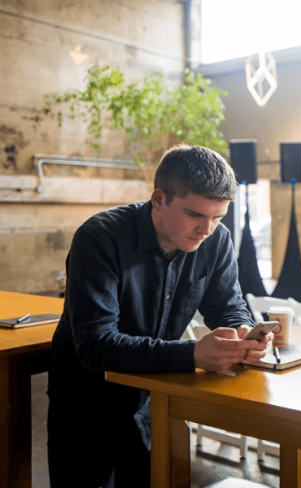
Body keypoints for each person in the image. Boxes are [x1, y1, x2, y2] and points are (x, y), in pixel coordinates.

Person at [47, 145, 272, 488]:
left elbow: (228, 307)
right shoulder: (99, 238)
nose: (206, 230)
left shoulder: (215, 240)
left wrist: (243, 331)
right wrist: (193, 353)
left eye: (217, 217)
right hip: (88, 405)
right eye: (195, 215)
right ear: (158, 199)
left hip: (156, 401)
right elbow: (96, 347)